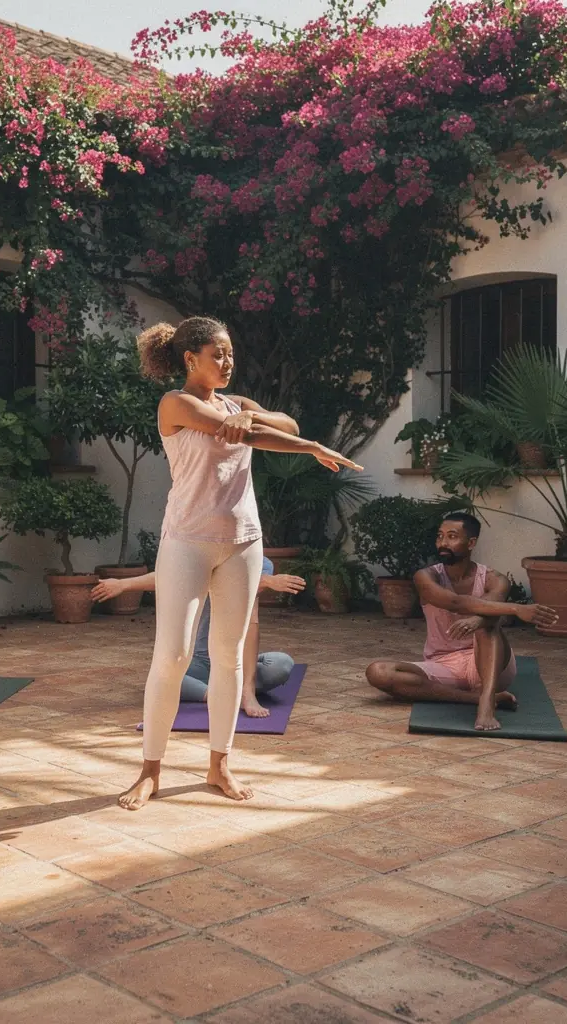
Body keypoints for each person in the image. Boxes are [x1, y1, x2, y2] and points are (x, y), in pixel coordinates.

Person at [119, 316, 362, 810]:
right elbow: (250, 439)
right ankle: (150, 770)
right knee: (173, 655)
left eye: (230, 354)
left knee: (229, 656)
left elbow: (283, 423)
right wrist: (310, 446)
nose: (228, 362)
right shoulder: (176, 404)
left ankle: (219, 763)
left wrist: (251, 417)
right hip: (186, 540)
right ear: (190, 359)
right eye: (218, 355)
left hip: (243, 542)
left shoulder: (238, 405)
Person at [365, 511, 559, 731]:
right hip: (442, 664)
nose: (443, 543)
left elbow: (489, 610)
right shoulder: (426, 577)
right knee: (378, 672)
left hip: (489, 662)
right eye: (440, 536)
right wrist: (516, 609)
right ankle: (474, 698)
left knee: (488, 624)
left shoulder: (494, 579)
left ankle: (486, 705)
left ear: (471, 542)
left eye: (452, 536)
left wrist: (479, 621)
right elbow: (456, 603)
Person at [91, 556, 304, 717]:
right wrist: (122, 584)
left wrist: (248, 690)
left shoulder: (259, 564)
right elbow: (170, 577)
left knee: (282, 664)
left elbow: (251, 628)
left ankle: (233, 690)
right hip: (203, 662)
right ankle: (214, 694)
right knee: (162, 676)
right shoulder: (209, 560)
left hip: (234, 665)